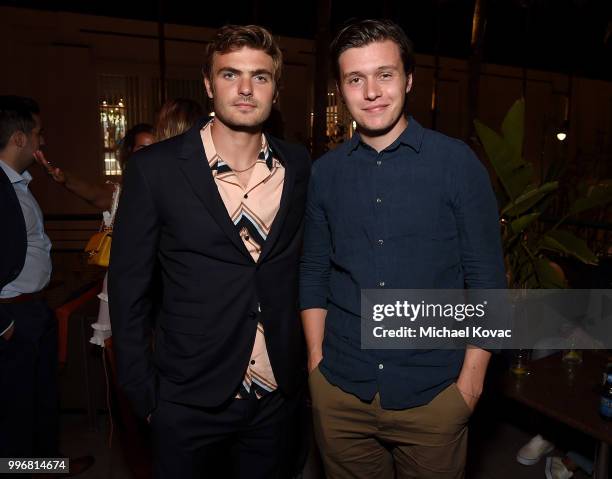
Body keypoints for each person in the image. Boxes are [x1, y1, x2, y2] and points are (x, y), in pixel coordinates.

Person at [299, 19, 506, 478]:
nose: (371, 91)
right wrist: (316, 364)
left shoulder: (456, 164)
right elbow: (314, 272)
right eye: (356, 79)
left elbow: (488, 281)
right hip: (340, 391)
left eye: (385, 74)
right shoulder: (326, 173)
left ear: (409, 80)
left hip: (433, 395)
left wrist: (469, 387)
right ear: (341, 88)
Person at [108, 24, 311, 478]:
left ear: (275, 89)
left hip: (276, 396)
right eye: (229, 74)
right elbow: (128, 287)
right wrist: (143, 392)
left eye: (260, 76)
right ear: (207, 83)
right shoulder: (155, 169)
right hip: (187, 398)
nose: (244, 88)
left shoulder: (297, 165)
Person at [0, 96, 94, 476]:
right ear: (19, 138)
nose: (44, 141)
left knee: (40, 407)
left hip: (32, 309)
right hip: (11, 316)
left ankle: (44, 468)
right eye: (38, 133)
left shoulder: (19, 185)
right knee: (14, 414)